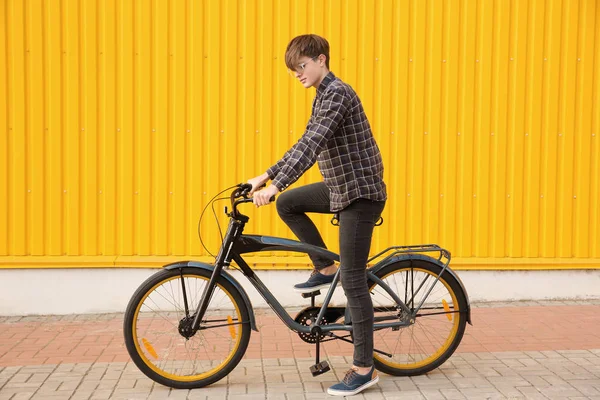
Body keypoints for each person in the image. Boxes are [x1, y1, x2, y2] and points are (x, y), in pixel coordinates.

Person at [246, 34, 386, 397]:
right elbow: (303, 141)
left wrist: (274, 184)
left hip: (359, 192)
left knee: (353, 280)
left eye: (302, 67)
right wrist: (266, 175)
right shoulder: (322, 95)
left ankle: (364, 368)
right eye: (293, 71)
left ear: (321, 59)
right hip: (341, 187)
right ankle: (324, 265)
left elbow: (313, 145)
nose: (298, 74)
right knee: (288, 203)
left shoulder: (337, 93)